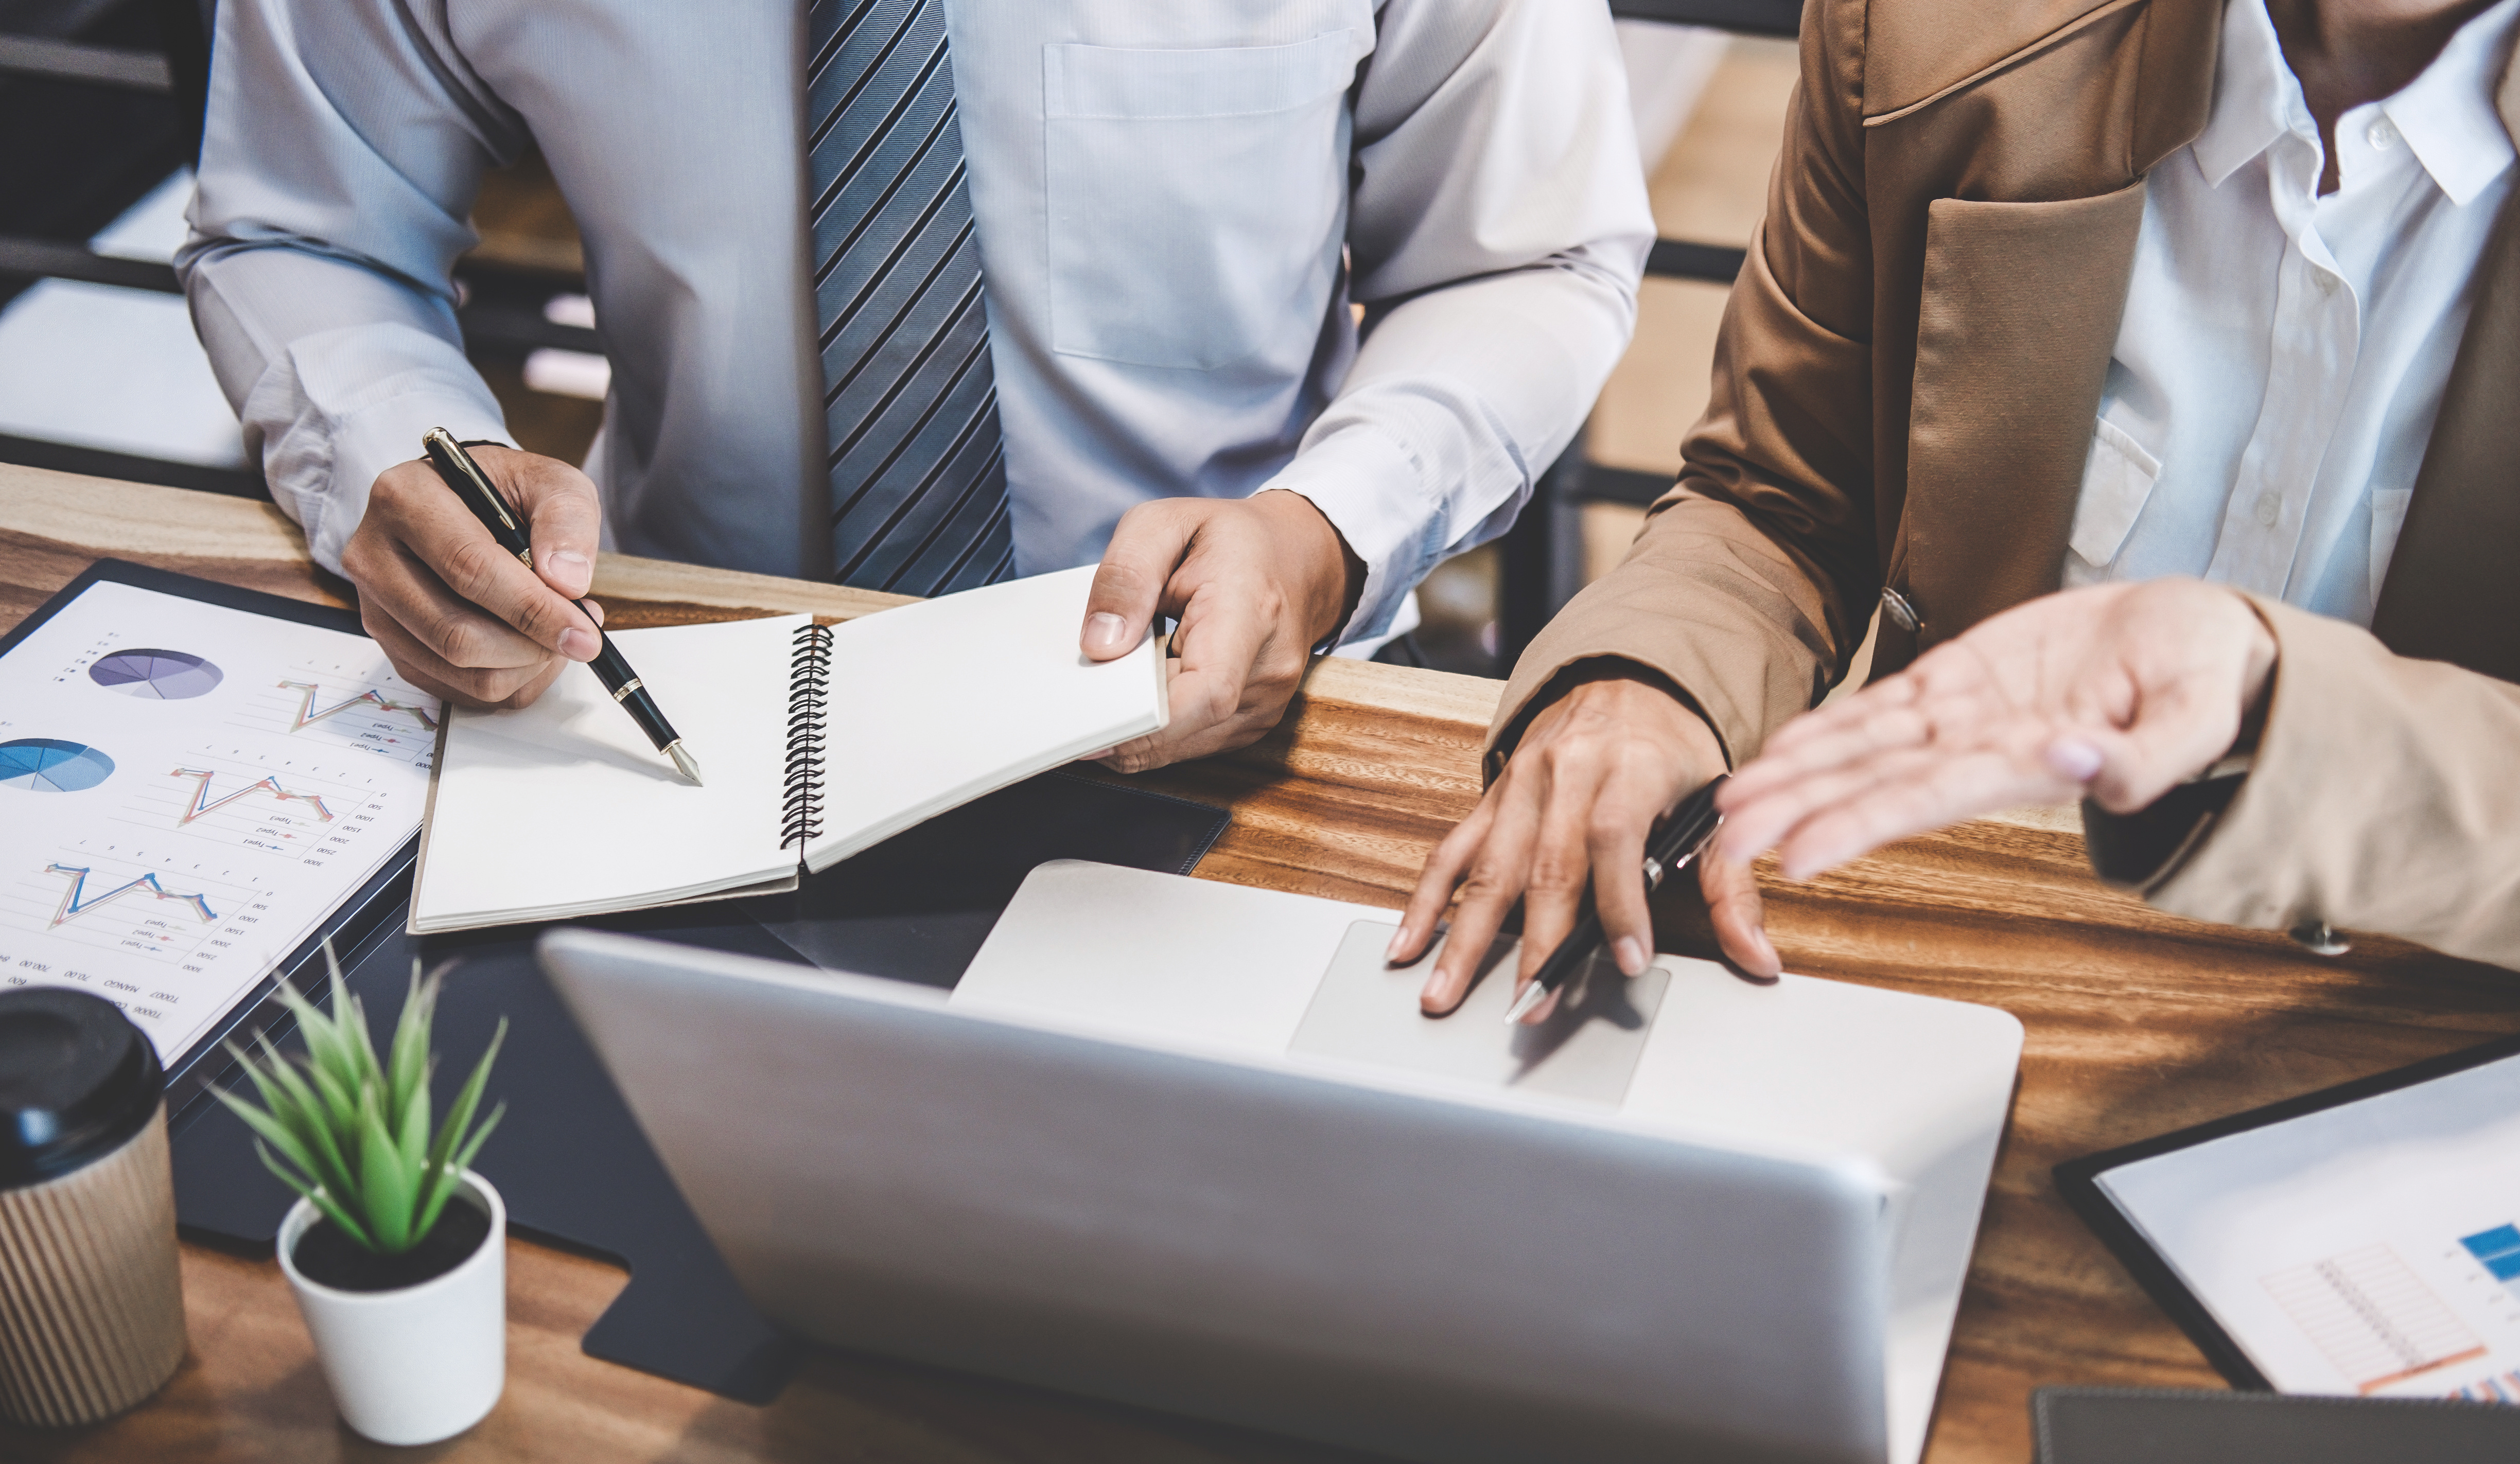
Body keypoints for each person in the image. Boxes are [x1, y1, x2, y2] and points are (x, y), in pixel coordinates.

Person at [1395, 0, 2520, 1016]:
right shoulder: (1927, 26)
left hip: (2422, 1034)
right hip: (1945, 959)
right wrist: (1650, 682)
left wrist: (2273, 699)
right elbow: (1777, 501)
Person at [178, 0, 1652, 770]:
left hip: (1233, 730)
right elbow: (302, 228)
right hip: (660, 713)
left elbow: (1523, 259)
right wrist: (387, 447)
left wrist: (1325, 536)